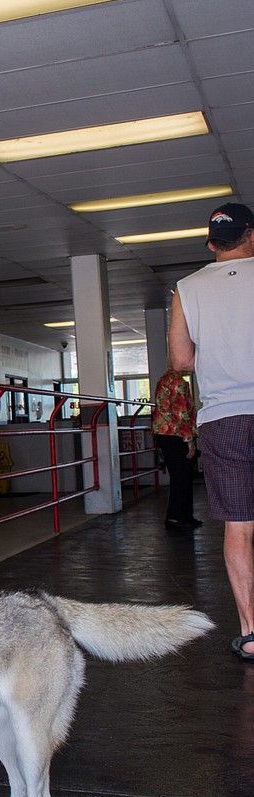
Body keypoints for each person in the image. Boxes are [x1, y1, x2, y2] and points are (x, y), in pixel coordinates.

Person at [169, 201, 254, 661]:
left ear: (210, 243)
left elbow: (181, 362)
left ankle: (251, 631)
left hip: (223, 419)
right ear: (252, 236)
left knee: (239, 527)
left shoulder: (187, 287)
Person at [152, 366, 200, 530]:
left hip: (164, 433)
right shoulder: (179, 382)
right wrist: (190, 441)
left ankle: (182, 515)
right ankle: (177, 516)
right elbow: (181, 414)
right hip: (176, 434)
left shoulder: (164, 379)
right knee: (182, 476)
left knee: (179, 475)